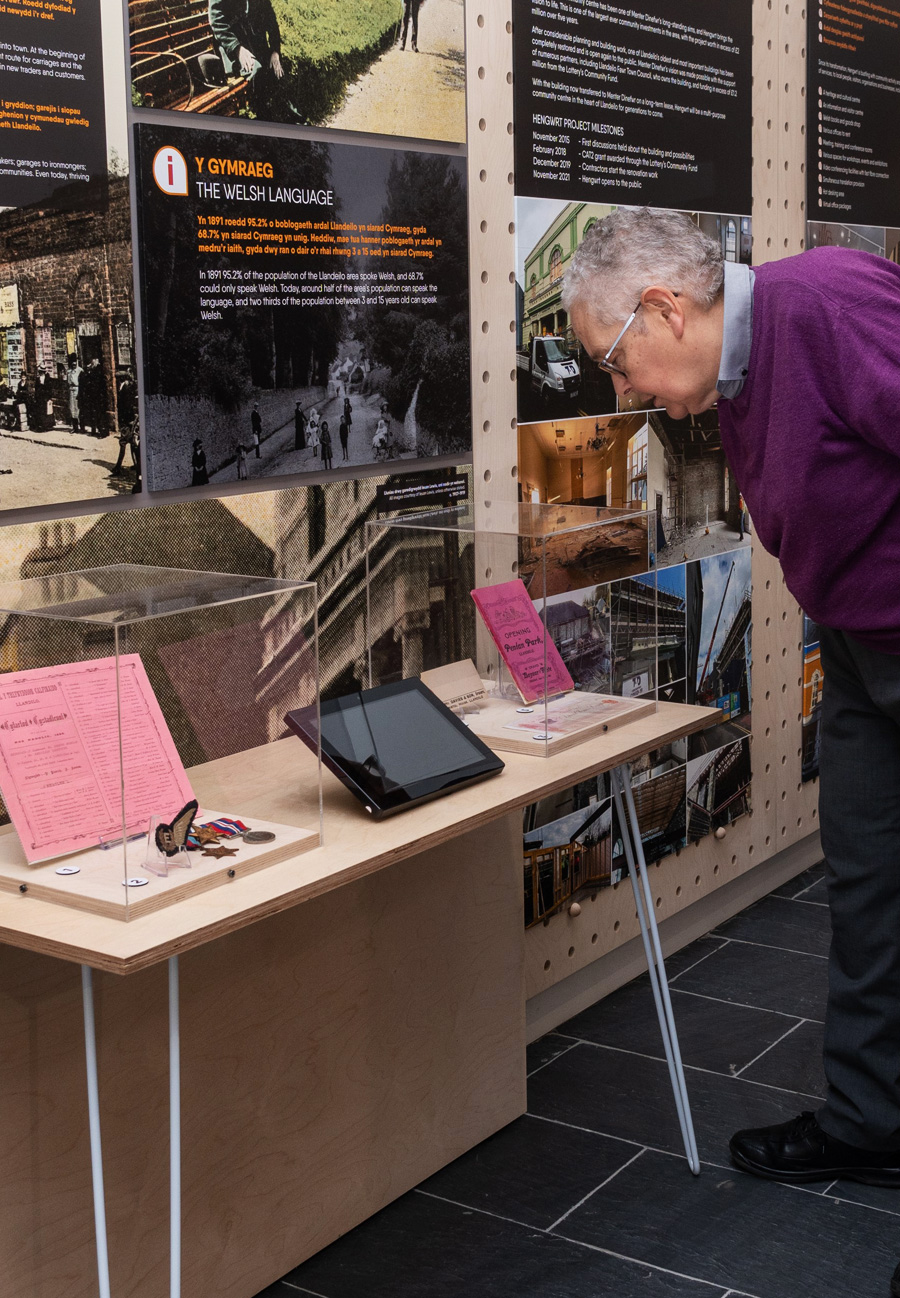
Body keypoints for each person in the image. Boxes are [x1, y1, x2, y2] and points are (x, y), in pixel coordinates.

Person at [562, 206, 900, 1191]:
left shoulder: (829, 303)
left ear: (664, 307)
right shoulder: (736, 380)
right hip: (858, 649)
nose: (620, 389)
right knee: (870, 885)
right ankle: (873, 1120)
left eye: (616, 361)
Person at [208, 0, 303, 121]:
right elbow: (216, 22)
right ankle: (265, 126)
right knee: (257, 70)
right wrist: (237, 48)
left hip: (254, 44)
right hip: (233, 50)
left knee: (277, 69)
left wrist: (275, 51)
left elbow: (270, 18)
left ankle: (295, 122)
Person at [66, 354, 82, 433]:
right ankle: (75, 427)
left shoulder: (80, 370)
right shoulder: (69, 371)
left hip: (77, 389)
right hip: (71, 390)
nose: (74, 364)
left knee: (78, 408)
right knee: (72, 408)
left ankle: (82, 426)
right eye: (72, 363)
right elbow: (67, 382)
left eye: (75, 362)